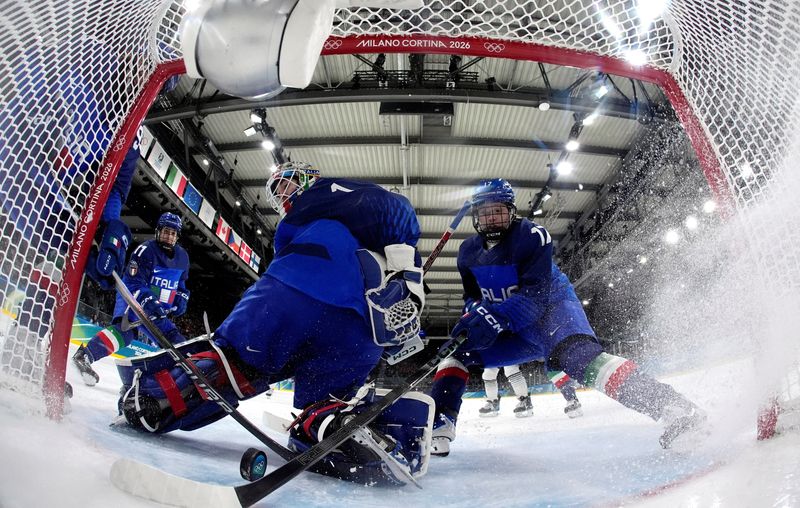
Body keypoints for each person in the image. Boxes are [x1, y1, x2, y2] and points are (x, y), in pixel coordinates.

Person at [112, 162, 434, 486]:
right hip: (357, 332)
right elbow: (399, 219)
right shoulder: (321, 228)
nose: (282, 194)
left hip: (291, 293)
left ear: (309, 178)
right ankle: (334, 427)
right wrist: (409, 280)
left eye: (286, 184)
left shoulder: (324, 193)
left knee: (231, 364)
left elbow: (396, 208)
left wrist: (408, 278)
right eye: (277, 191)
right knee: (325, 403)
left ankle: (156, 398)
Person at [428, 179, 704, 456]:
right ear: (475, 216)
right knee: (457, 354)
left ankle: (675, 408)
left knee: (579, 358)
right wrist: (473, 315)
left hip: (552, 312)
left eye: (498, 211)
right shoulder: (467, 252)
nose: (491, 219)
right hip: (513, 327)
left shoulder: (532, 235)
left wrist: (492, 318)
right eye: (485, 213)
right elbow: (473, 296)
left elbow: (534, 298)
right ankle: (438, 426)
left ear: (511, 211)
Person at [71, 212, 190, 385]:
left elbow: (182, 284)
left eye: (173, 233)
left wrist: (181, 297)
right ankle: (85, 355)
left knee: (175, 341)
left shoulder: (183, 257)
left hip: (158, 310)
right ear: (158, 231)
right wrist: (148, 301)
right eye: (166, 231)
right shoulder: (145, 251)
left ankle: (148, 384)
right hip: (134, 300)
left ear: (177, 236)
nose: (169, 236)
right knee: (125, 332)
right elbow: (134, 283)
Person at [477, 365, 582, 418]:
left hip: (510, 340)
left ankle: (525, 400)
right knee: (489, 373)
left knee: (511, 369)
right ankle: (493, 402)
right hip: (497, 344)